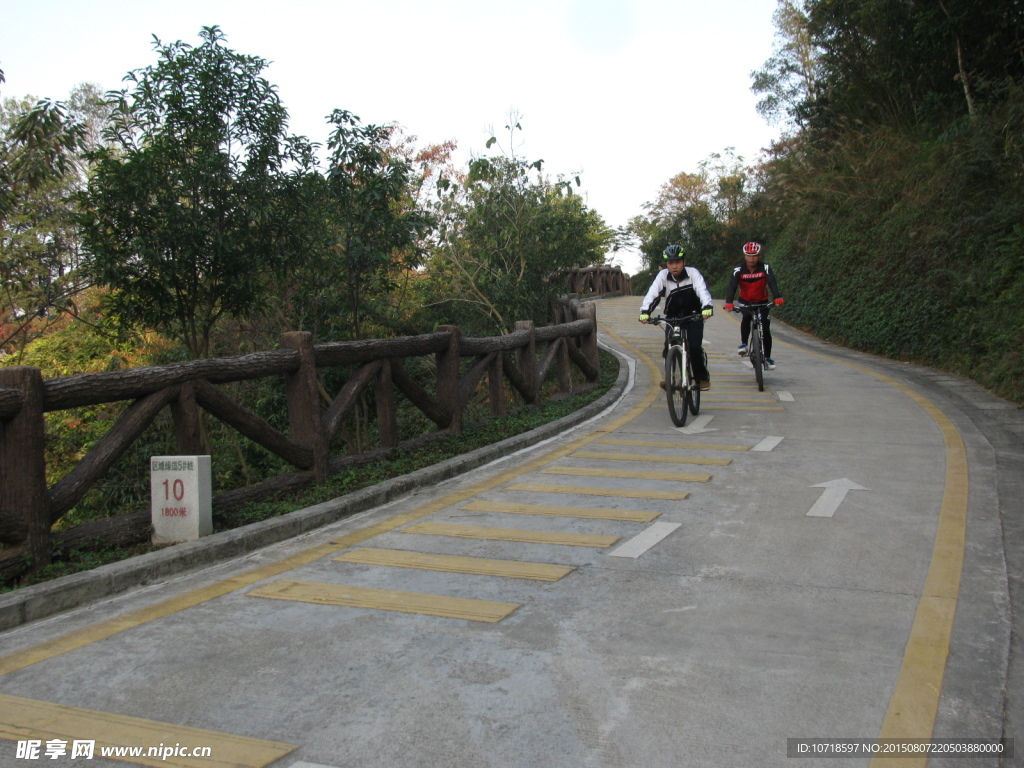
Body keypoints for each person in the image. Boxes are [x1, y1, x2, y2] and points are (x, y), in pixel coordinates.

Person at [638, 244, 714, 390]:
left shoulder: (693, 273)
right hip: (672, 317)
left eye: (678, 262)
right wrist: (645, 311)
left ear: (684, 262)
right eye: (670, 263)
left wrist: (707, 307)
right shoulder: (663, 276)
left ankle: (702, 378)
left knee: (694, 347)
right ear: (666, 264)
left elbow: (702, 291)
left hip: (694, 315)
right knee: (668, 346)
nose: (674, 266)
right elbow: (653, 293)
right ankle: (669, 377)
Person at [723, 241, 784, 369]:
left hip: (762, 302)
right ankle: (744, 344)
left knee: (766, 329)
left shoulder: (765, 268)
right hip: (745, 301)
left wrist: (777, 297)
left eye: (755, 255)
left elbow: (772, 282)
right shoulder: (738, 270)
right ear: (744, 255)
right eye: (749, 255)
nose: (752, 258)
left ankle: (767, 358)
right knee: (746, 317)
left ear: (759, 256)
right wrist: (729, 302)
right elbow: (732, 286)